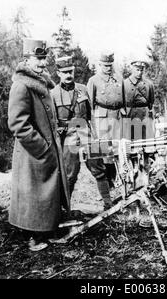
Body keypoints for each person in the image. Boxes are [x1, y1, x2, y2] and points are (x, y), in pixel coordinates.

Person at [7, 39, 70, 251]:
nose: (43, 63)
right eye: (38, 59)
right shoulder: (21, 86)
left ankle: (46, 228)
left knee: (45, 192)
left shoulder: (41, 81)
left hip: (46, 149)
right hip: (32, 153)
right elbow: (17, 124)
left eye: (44, 59)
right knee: (32, 194)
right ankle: (32, 235)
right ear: (26, 59)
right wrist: (42, 148)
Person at [51, 56, 112, 210]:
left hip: (86, 133)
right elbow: (53, 121)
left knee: (99, 169)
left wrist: (96, 137)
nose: (68, 75)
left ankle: (108, 203)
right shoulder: (53, 94)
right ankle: (65, 208)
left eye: (70, 71)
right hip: (68, 136)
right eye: (64, 72)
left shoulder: (83, 89)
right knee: (69, 175)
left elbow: (90, 115)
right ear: (58, 73)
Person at [87, 51, 126, 188]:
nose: (108, 68)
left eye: (110, 65)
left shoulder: (119, 79)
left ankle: (116, 178)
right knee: (103, 149)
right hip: (101, 117)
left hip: (116, 116)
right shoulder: (94, 80)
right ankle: (105, 181)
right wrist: (91, 123)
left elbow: (124, 99)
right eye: (105, 65)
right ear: (100, 65)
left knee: (116, 148)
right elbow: (89, 104)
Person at [123, 60, 155, 141]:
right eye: (137, 70)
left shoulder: (149, 84)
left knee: (147, 138)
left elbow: (151, 101)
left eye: (141, 70)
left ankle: (148, 153)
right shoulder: (125, 83)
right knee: (131, 138)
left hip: (145, 113)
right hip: (130, 113)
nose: (140, 72)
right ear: (132, 70)